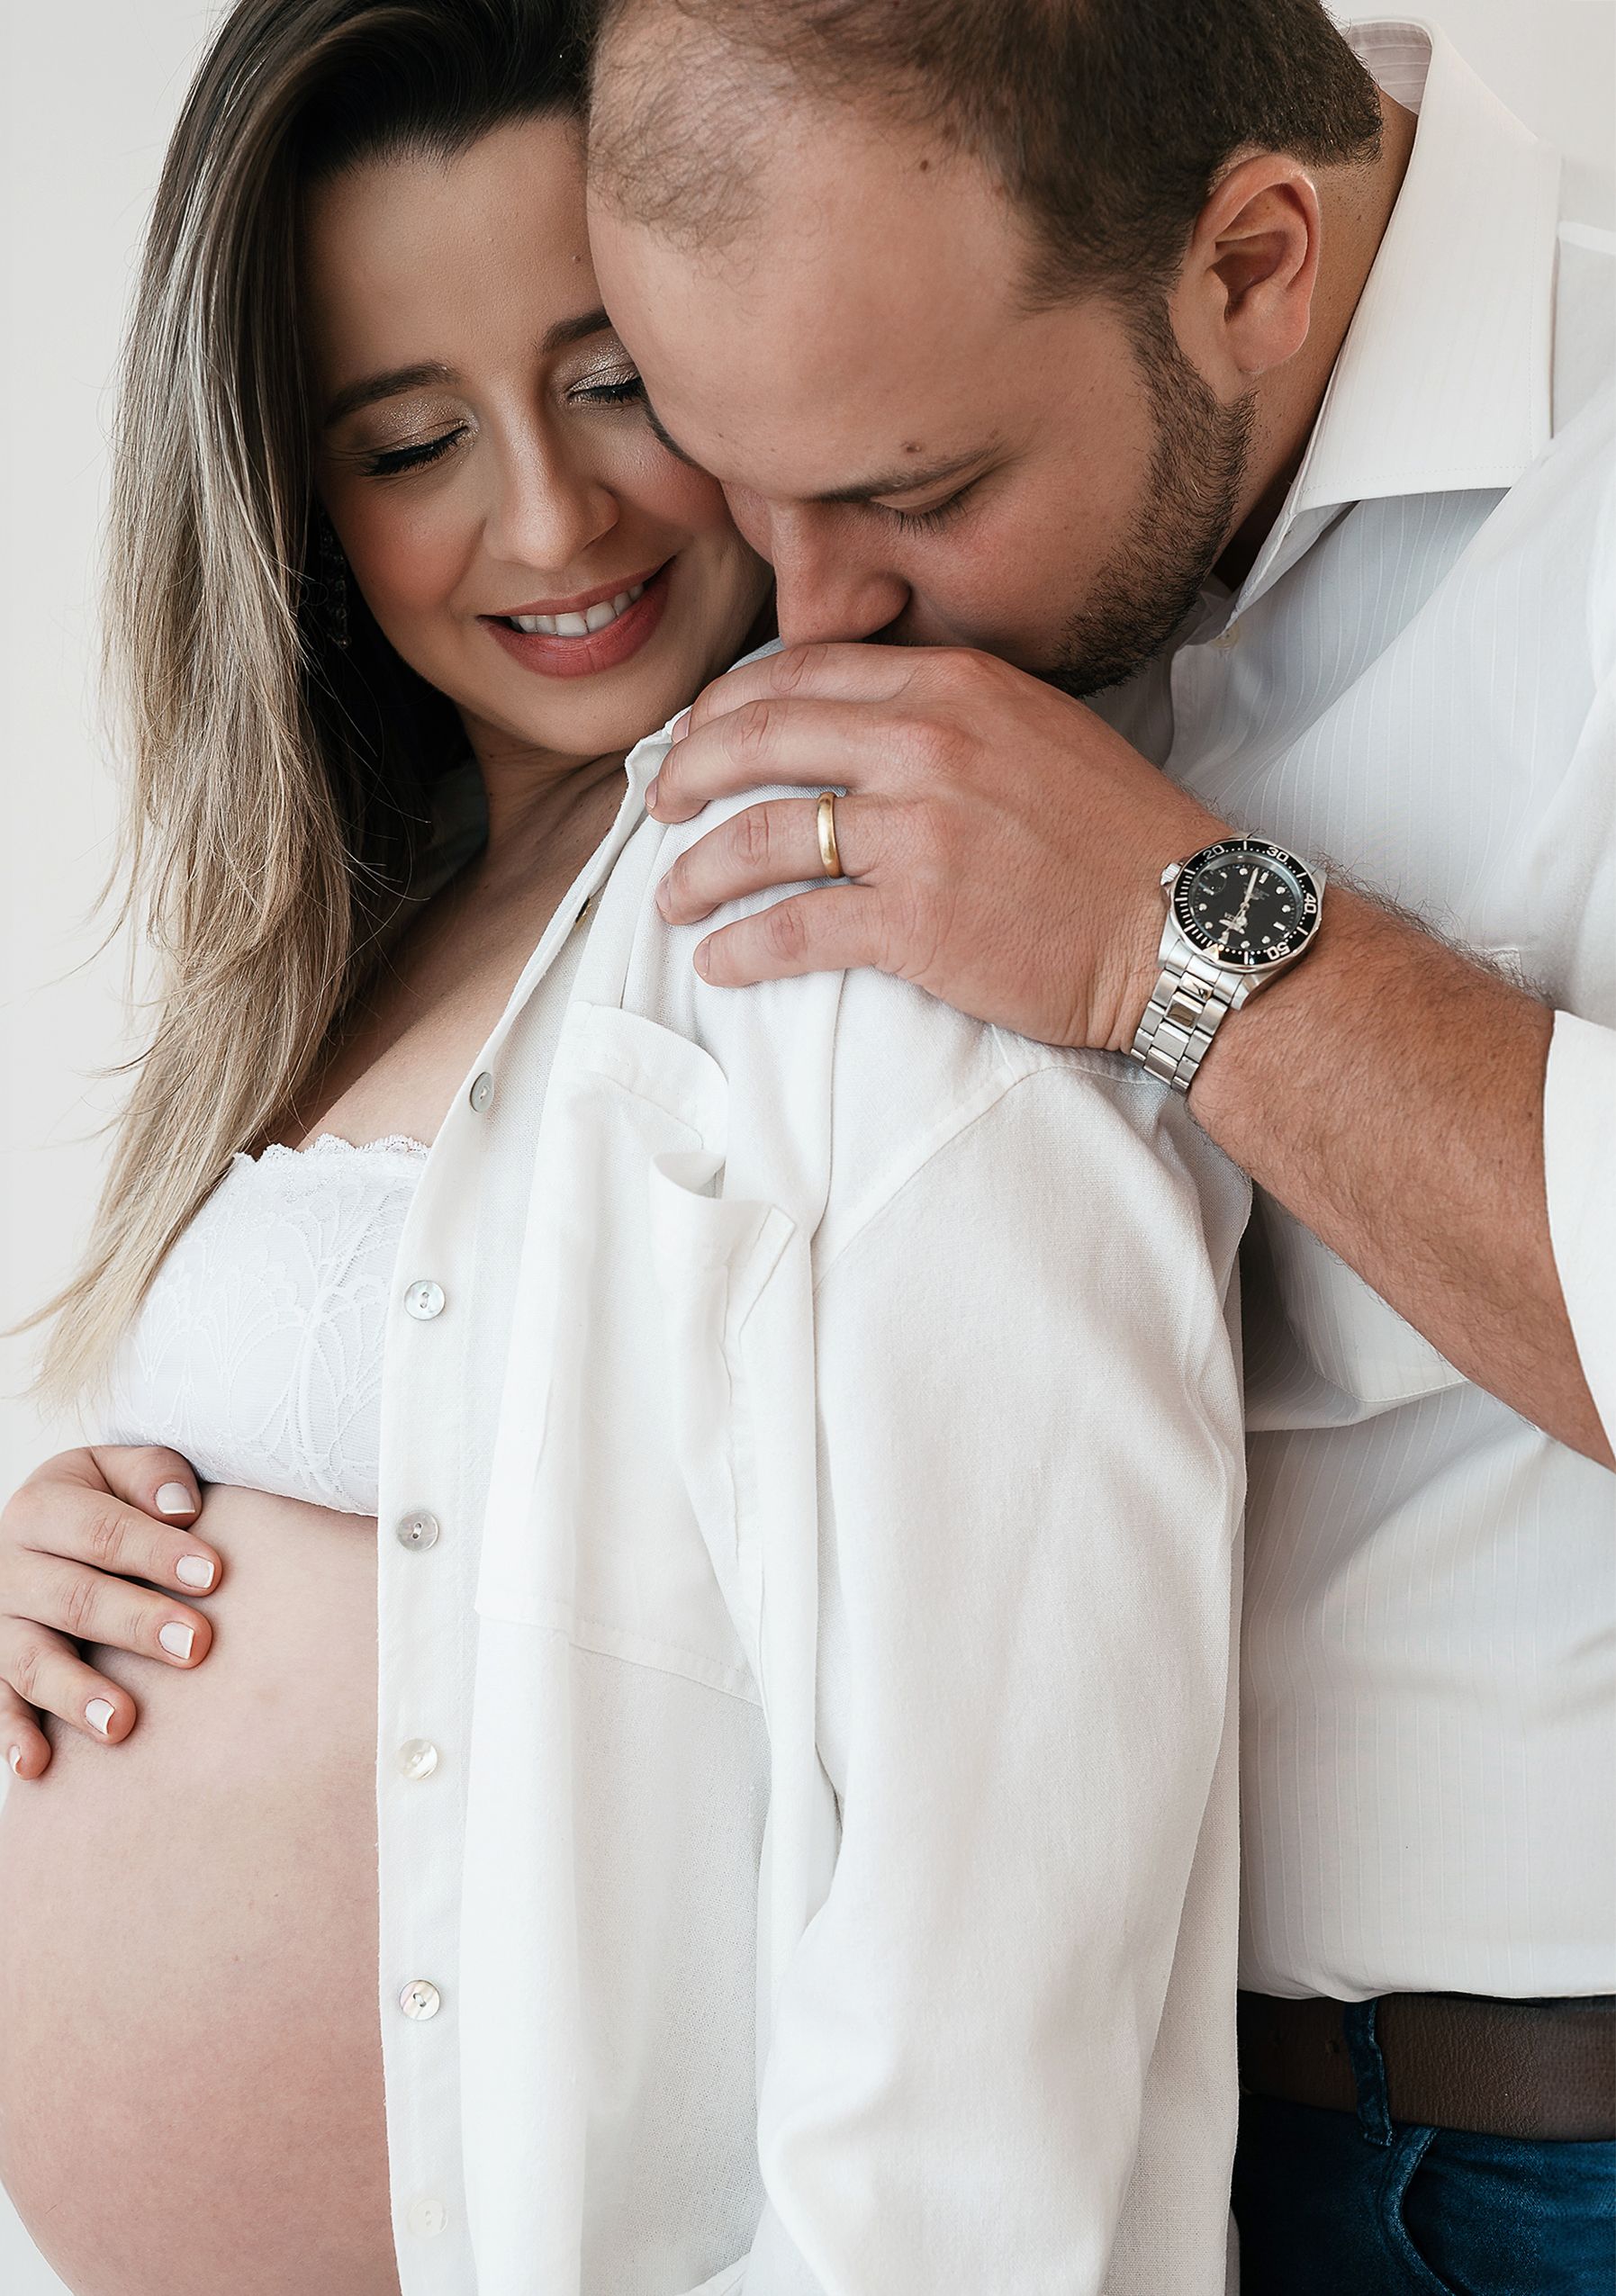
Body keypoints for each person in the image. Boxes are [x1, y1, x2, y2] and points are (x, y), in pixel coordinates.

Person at [0, 2, 1250, 2292]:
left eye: (611, 385)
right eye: (406, 438)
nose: (551, 519)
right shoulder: (346, 947)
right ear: (289, 492)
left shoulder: (884, 906)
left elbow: (998, 1935)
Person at [580, 2, 1616, 2289]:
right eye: (736, 478)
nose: (811, 605)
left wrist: (1182, 939)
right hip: (1136, 2171)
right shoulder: (927, 400)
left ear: (1253, 264)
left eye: (917, 496)